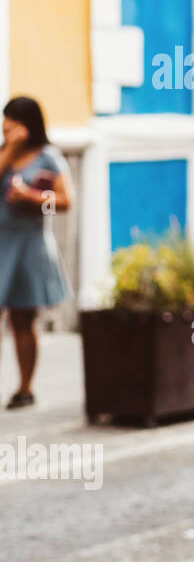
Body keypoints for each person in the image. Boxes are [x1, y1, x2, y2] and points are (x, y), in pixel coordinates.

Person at [1, 96, 74, 409]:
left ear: (27, 124)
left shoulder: (49, 158)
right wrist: (11, 150)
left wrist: (31, 197)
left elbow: (65, 202)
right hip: (1, 242)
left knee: (22, 318)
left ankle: (25, 387)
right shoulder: (5, 154)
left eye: (12, 121)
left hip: (29, 244)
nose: (6, 126)